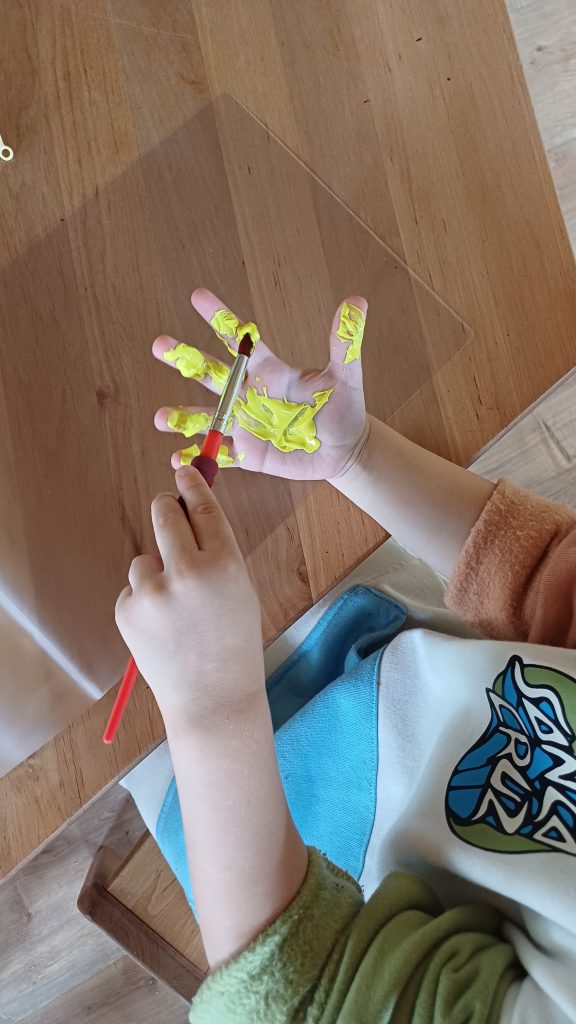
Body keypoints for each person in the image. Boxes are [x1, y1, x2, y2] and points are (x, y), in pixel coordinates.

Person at [116, 288, 576, 1023]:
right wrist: (358, 456)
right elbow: (549, 581)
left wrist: (212, 705)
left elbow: (299, 993)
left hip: (259, 824)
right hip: (369, 631)